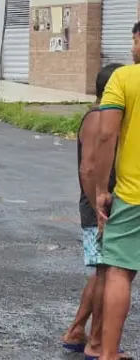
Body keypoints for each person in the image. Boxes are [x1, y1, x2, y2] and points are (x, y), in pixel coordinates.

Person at [63, 63, 122, 358]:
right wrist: (98, 210)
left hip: (100, 207)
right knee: (107, 273)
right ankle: (96, 343)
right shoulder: (99, 119)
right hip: (98, 209)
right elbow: (88, 168)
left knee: (101, 272)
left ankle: (77, 331)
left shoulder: (101, 117)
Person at [91, 21, 140, 360]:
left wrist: (100, 189)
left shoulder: (123, 78)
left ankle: (108, 353)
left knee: (119, 270)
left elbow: (106, 136)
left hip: (132, 193)